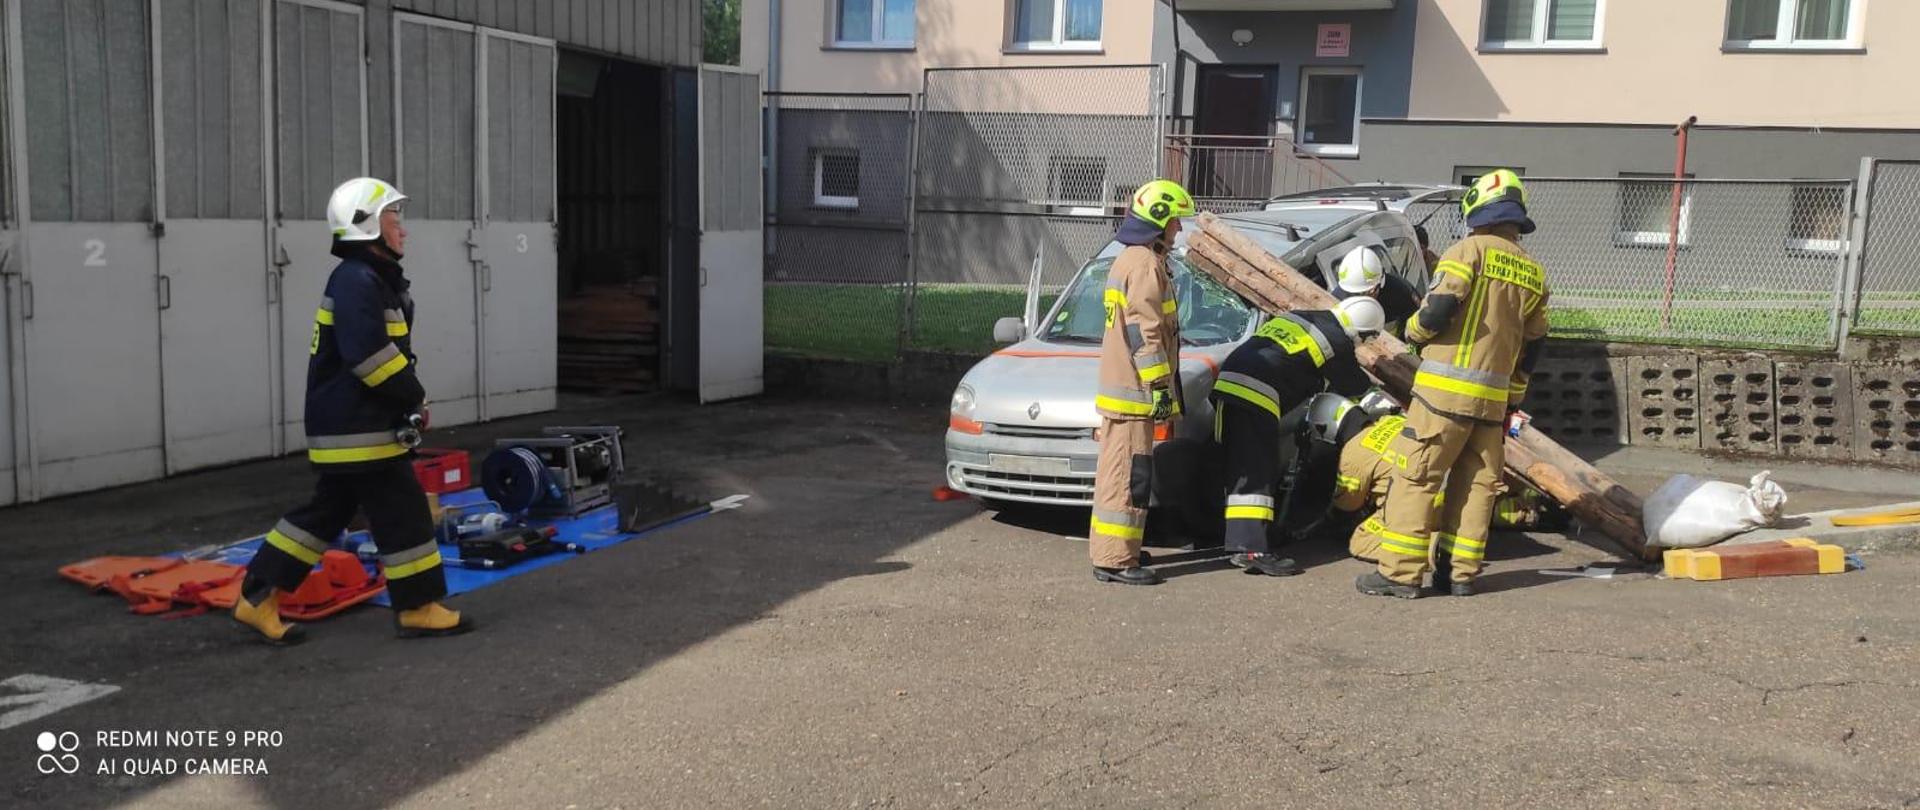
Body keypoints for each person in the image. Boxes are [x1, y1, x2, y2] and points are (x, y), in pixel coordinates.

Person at [231, 177, 473, 643]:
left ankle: (257, 597)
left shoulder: (366, 279)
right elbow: (370, 358)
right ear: (368, 226)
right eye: (393, 219)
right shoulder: (359, 281)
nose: (403, 229)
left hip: (351, 425)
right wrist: (413, 397)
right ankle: (418, 607)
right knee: (405, 511)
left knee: (324, 513)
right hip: (359, 428)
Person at [1358, 169, 1550, 599]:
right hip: (1492, 403)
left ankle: (1399, 575)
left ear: (1477, 209)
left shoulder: (1467, 251)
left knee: (1416, 478)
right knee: (1477, 485)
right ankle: (1460, 575)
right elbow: (1534, 344)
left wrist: (1413, 332)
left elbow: (1439, 307)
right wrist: (1514, 393)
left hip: (1442, 398)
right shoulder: (1534, 272)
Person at [1211, 296, 1386, 577]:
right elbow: (1353, 384)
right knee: (1257, 469)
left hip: (1229, 382)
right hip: (1256, 393)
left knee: (1239, 466)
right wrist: (1383, 398)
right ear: (1361, 332)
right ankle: (1252, 550)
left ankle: (1235, 539)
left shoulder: (1304, 317)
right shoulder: (1336, 340)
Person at [1090, 179, 1196, 586]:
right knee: (1129, 478)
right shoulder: (1144, 266)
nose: (1179, 228)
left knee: (1116, 474)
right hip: (1135, 394)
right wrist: (1161, 389)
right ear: (1159, 220)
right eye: (1175, 221)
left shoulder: (1130, 260)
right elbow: (1145, 334)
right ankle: (1117, 559)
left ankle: (1115, 549)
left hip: (1125, 392)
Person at [1332, 245, 1419, 327]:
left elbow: (1417, 325)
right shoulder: (1337, 300)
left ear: (1379, 284)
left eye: (1366, 293)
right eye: (1356, 294)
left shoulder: (1400, 292)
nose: (1360, 299)